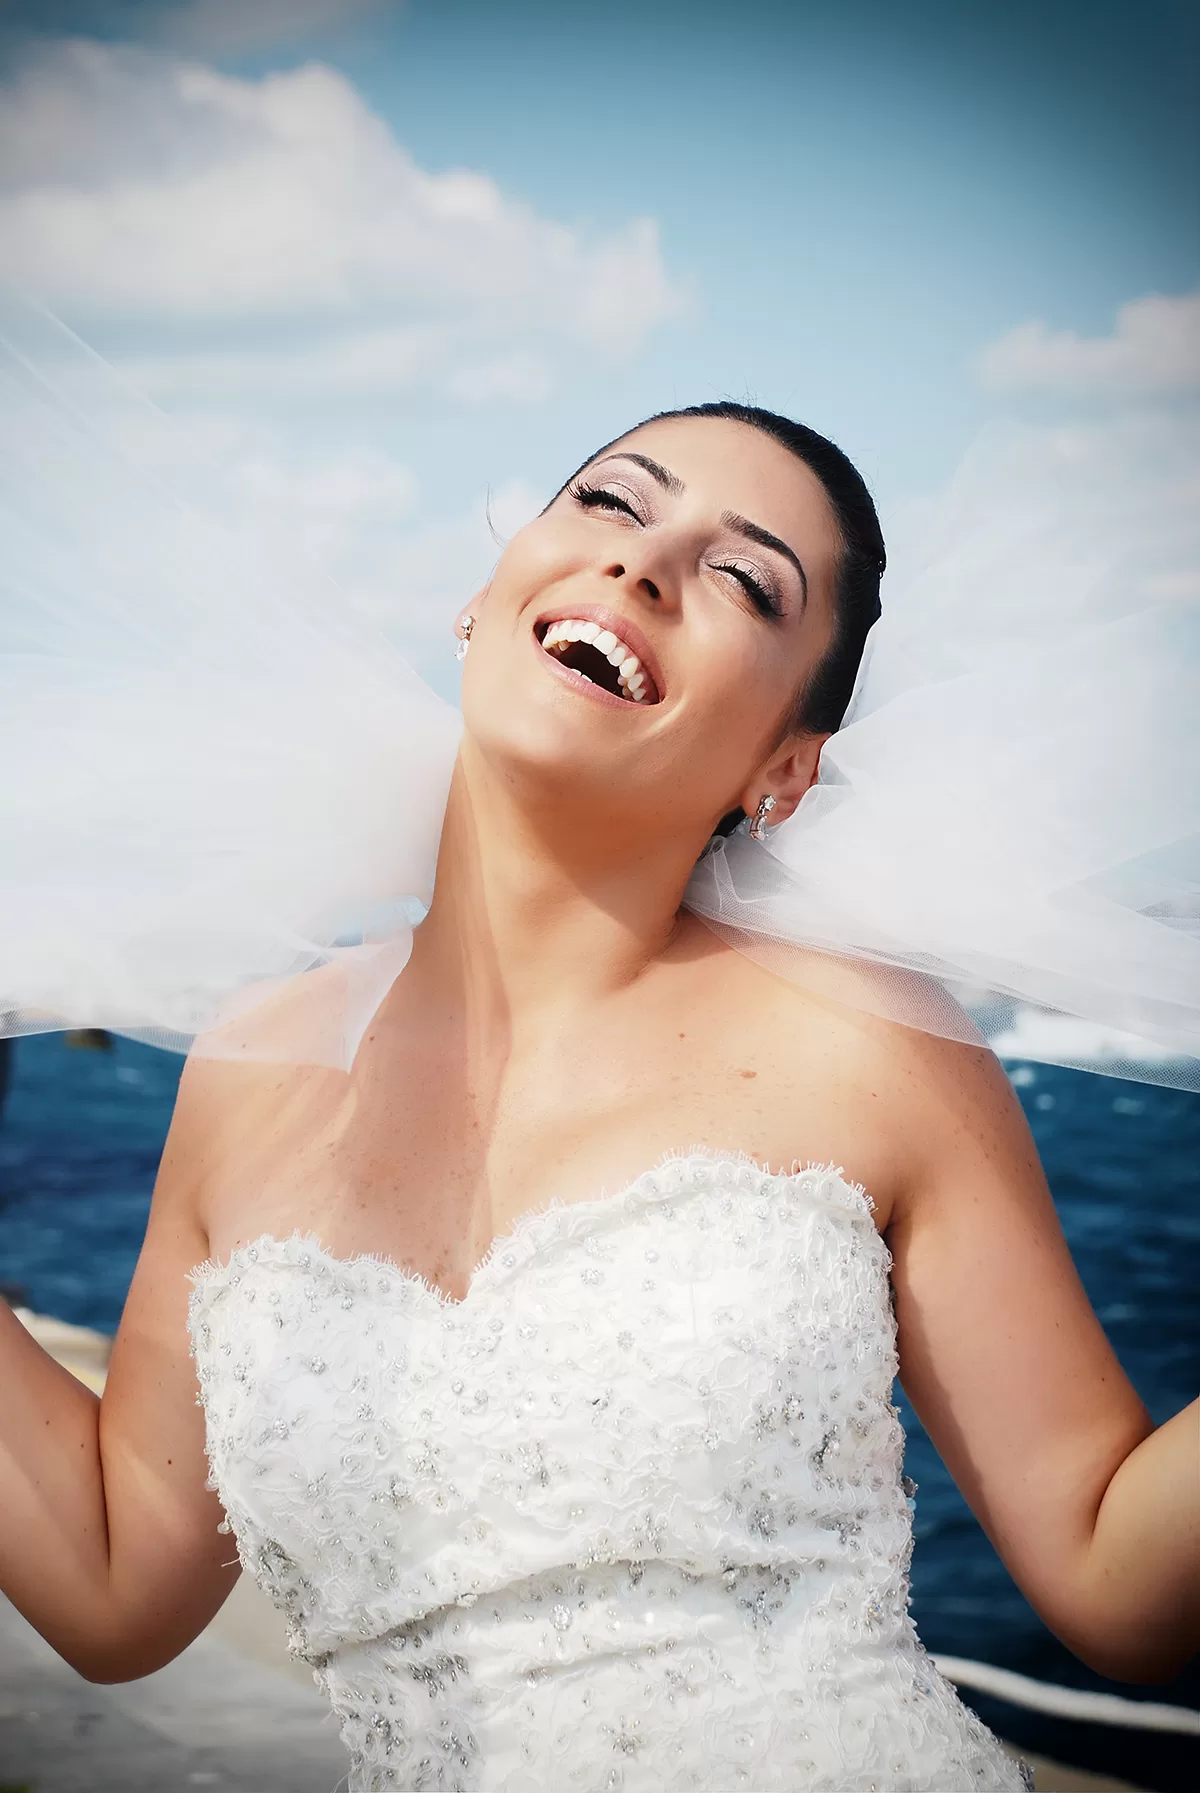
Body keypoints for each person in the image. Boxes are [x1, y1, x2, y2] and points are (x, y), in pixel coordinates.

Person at [1, 399, 1197, 1793]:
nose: (643, 566)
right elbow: (108, 1586)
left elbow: (1116, 1576)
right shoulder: (251, 1068)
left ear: (784, 769)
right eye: (613, 504)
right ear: (480, 597)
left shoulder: (872, 1044)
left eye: (745, 578)